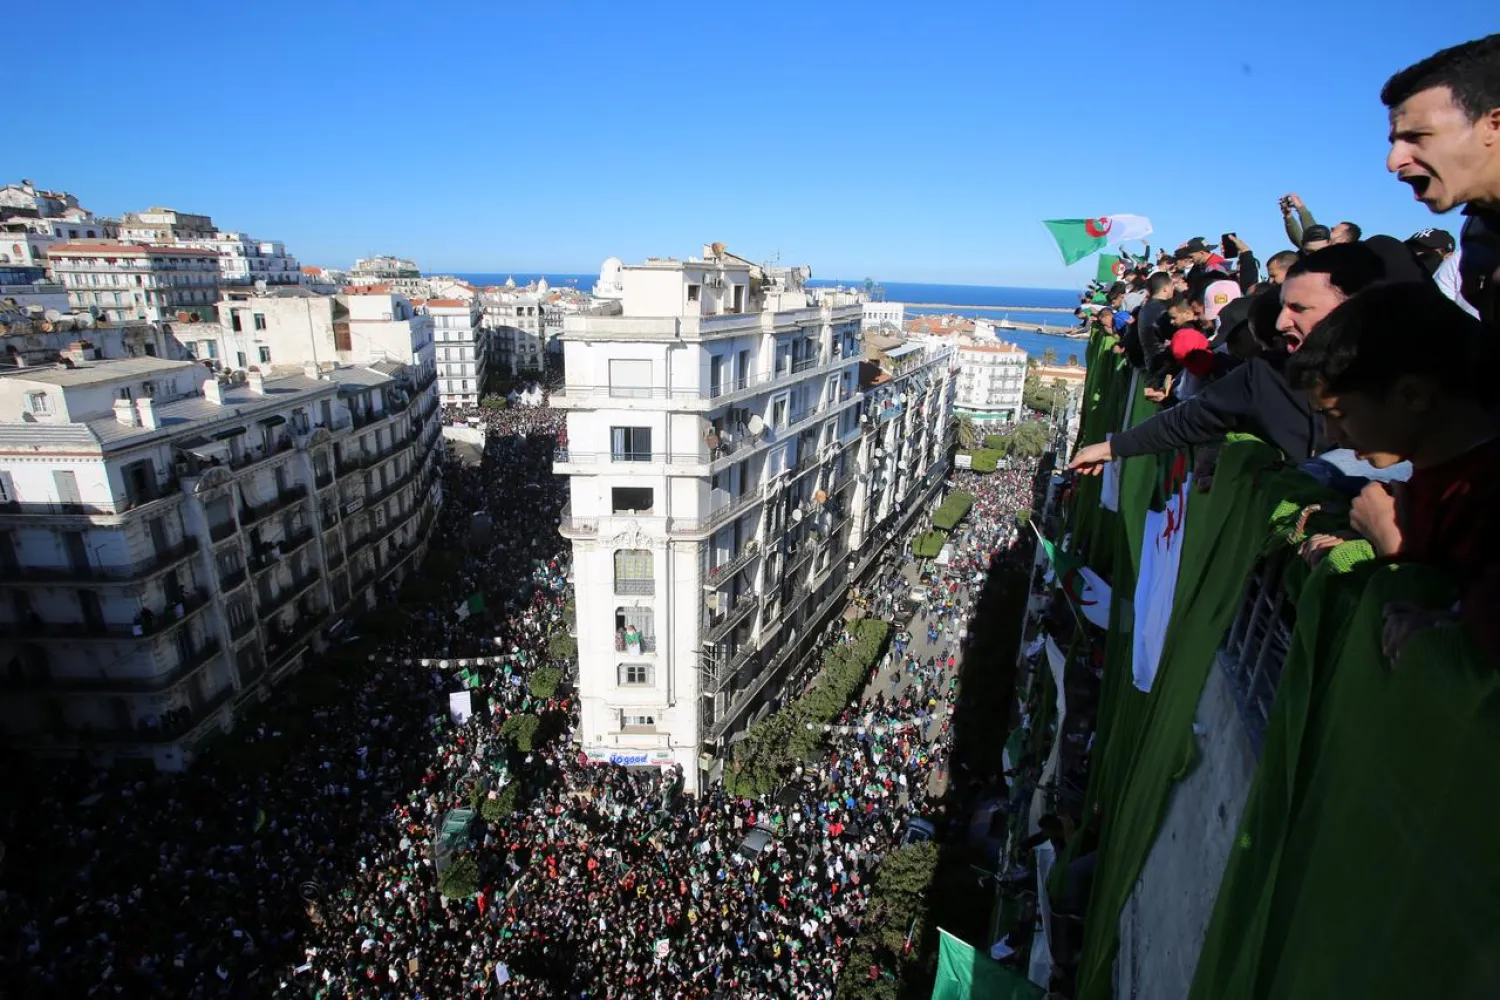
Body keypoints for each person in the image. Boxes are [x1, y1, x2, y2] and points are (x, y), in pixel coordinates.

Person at [1286, 281, 1499, 664]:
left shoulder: (1483, 498)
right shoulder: (1424, 482)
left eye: (1338, 416)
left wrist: (1394, 550)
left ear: (1413, 396)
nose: (1332, 437)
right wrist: (1365, 536)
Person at [1067, 244, 1387, 471]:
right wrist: (1114, 447)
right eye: (1283, 306)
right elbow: (1194, 417)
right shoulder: (1265, 373)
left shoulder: (1405, 368)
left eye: (1299, 309)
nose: (1281, 323)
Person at [1381, 32, 1500, 328]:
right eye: (1394, 141)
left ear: (1493, 126)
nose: (1394, 161)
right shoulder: (1478, 232)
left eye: (1417, 137)